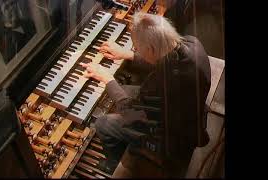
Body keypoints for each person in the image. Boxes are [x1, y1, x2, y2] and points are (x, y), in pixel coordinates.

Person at [80, 12, 211, 175]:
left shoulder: (158, 85)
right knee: (123, 90)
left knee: (103, 124)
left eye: (137, 48)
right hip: (186, 110)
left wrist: (107, 78)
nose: (137, 50)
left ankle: (113, 164)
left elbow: (130, 111)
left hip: (171, 136)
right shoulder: (191, 43)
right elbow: (162, 63)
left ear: (150, 48)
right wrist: (129, 55)